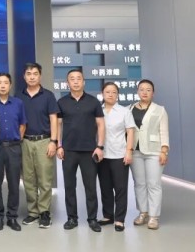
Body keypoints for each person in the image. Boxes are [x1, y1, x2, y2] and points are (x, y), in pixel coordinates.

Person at [57, 69, 105, 233]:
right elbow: (58, 125)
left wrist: (100, 146)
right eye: (72, 79)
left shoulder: (93, 102)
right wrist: (59, 145)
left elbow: (101, 125)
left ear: (84, 82)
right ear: (67, 83)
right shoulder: (61, 102)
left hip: (89, 151)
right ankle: (72, 218)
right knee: (69, 186)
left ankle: (92, 219)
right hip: (68, 151)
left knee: (90, 187)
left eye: (79, 78)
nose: (76, 81)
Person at [19, 63, 59, 229]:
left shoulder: (48, 95)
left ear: (40, 76)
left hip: (44, 141)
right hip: (25, 142)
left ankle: (44, 212)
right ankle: (33, 212)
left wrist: (53, 142)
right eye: (29, 74)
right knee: (28, 179)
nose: (32, 77)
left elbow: (54, 119)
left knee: (44, 179)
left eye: (35, 73)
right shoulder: (19, 96)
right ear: (24, 76)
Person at [129, 79, 169, 230]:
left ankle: (154, 216)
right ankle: (143, 213)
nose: (144, 92)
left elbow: (164, 131)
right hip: (135, 152)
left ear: (153, 93)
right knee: (139, 183)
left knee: (154, 184)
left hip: (154, 151)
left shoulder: (160, 110)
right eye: (141, 89)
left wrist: (164, 151)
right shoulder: (130, 109)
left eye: (148, 90)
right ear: (137, 91)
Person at [96, 82, 135, 232]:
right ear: (102, 94)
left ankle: (119, 219)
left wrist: (129, 151)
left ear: (117, 95)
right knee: (105, 187)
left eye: (114, 92)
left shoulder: (124, 111)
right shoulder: (98, 111)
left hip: (119, 154)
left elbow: (130, 132)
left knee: (120, 188)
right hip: (102, 155)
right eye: (107, 92)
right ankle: (108, 216)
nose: (111, 95)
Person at [0, 73, 26, 232]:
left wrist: (17, 140)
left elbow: (22, 124)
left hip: (13, 147)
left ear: (10, 85)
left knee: (14, 183)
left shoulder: (18, 103)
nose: (3, 85)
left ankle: (12, 217)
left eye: (6, 82)